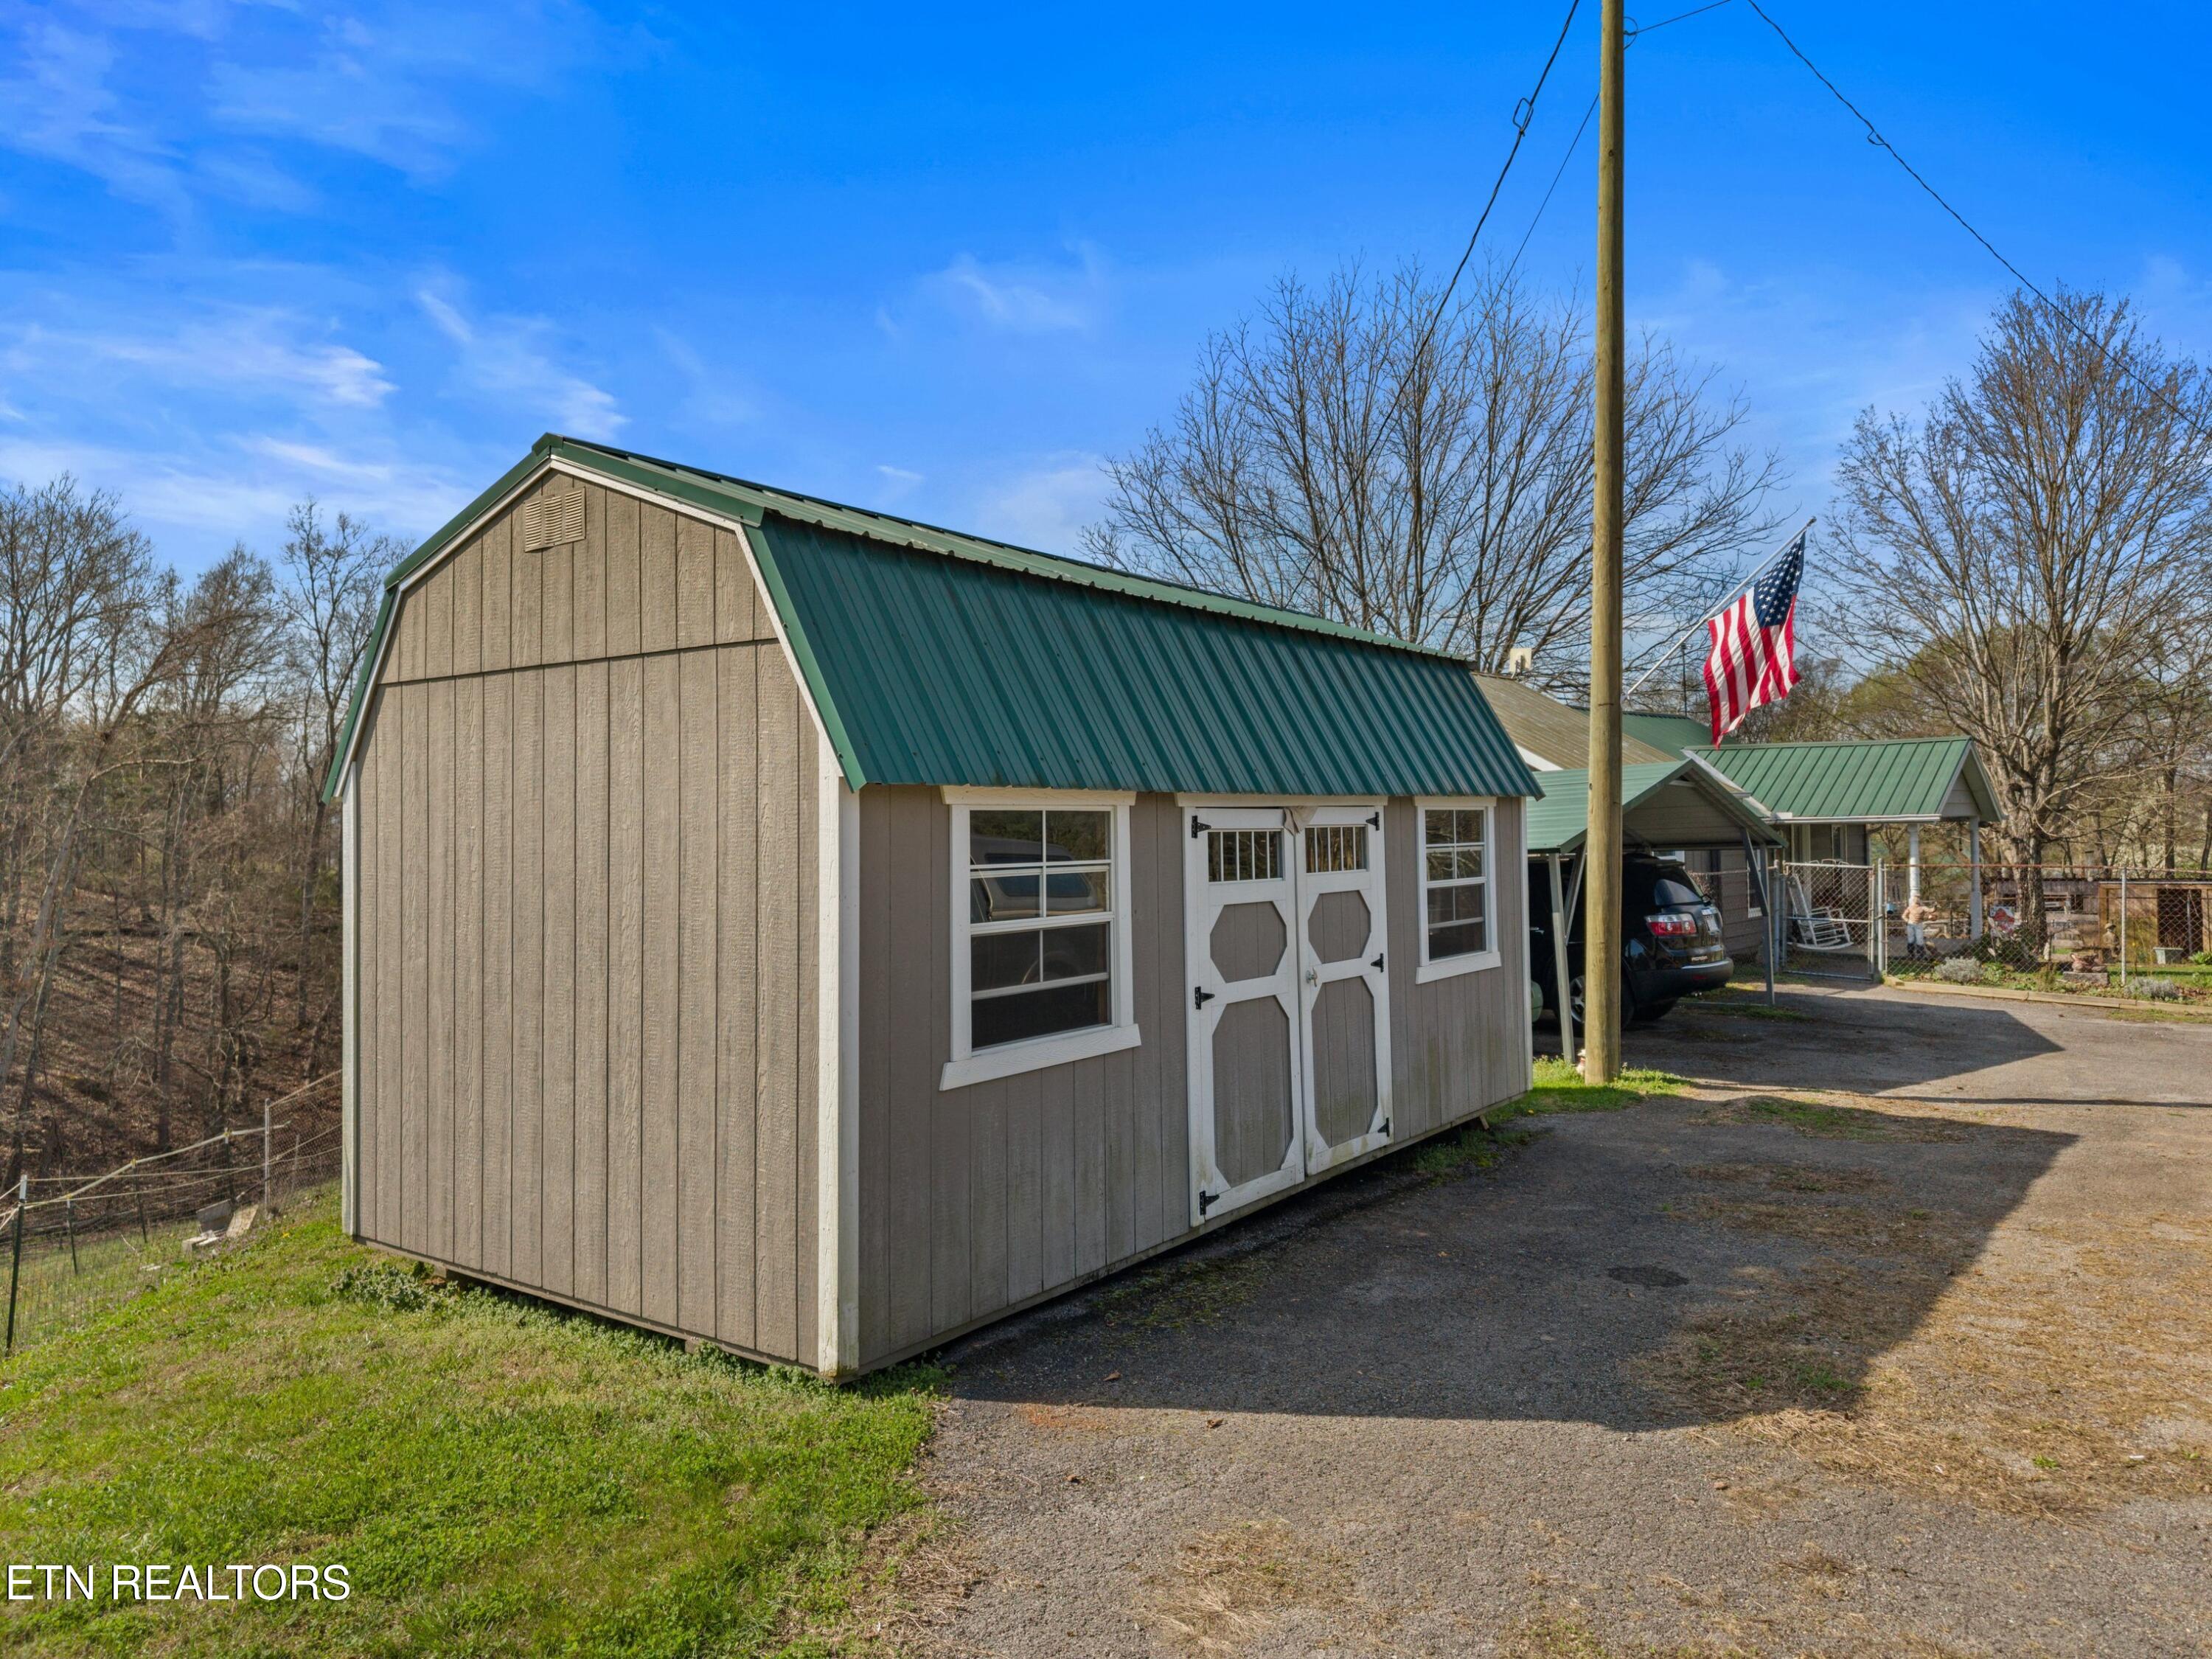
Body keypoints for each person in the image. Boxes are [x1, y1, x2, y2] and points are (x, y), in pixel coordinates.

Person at [1902, 894, 1934, 958]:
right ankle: (1911, 954)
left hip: (1918, 925)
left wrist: (1935, 907)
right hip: (1910, 925)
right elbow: (1904, 916)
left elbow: (1931, 910)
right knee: (1911, 939)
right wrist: (1907, 921)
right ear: (1913, 899)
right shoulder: (1910, 908)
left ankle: (1920, 954)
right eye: (1915, 898)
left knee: (1919, 940)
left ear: (1920, 900)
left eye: (1918, 898)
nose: (1917, 899)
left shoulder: (1922, 908)